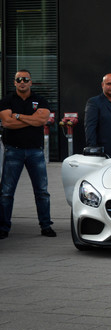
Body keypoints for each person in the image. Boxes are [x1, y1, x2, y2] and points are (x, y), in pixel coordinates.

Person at [0, 70, 55, 239]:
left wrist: (17, 116)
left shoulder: (40, 100)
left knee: (42, 191)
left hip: (35, 152)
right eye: (18, 79)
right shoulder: (7, 100)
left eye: (25, 79)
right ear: (14, 82)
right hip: (13, 151)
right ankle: (3, 228)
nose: (22, 82)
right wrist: (30, 119)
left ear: (31, 82)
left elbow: (42, 120)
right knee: (7, 192)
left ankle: (46, 226)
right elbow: (7, 123)